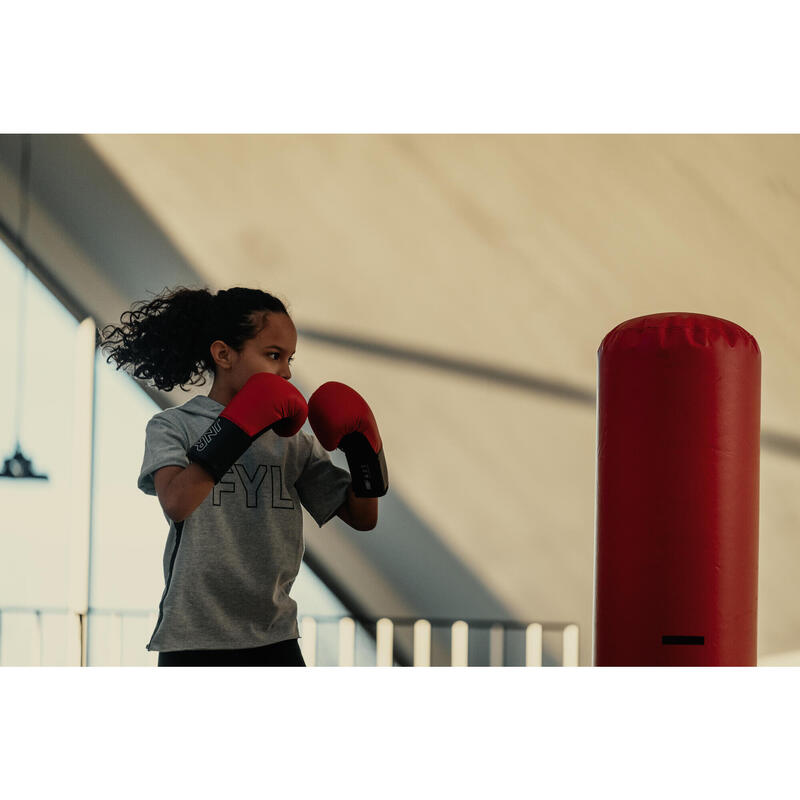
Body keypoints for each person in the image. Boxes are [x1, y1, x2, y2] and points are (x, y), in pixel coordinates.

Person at [99, 286, 388, 667]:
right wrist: (237, 428)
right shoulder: (173, 427)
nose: (285, 371)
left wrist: (363, 451)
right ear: (223, 354)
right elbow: (177, 503)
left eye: (289, 359)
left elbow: (363, 518)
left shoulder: (291, 443)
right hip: (194, 637)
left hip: (275, 633)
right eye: (273, 355)